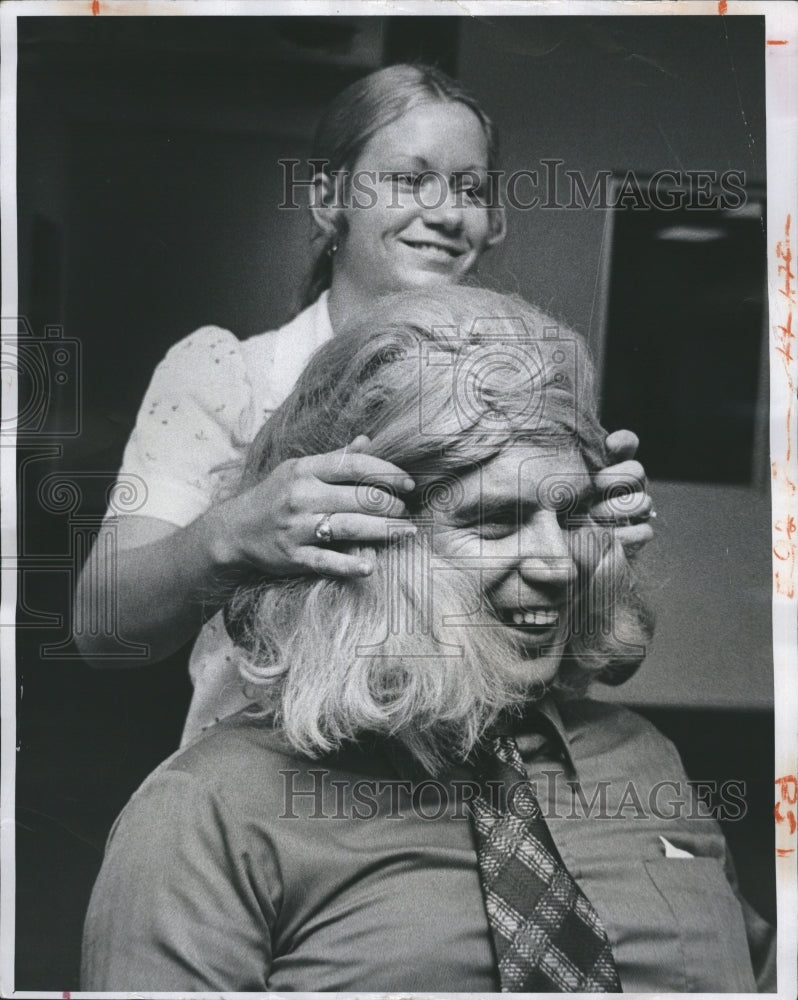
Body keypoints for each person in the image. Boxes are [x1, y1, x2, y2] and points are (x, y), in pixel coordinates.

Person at [81, 288, 774, 993]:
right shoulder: (209, 817)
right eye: (495, 522)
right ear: (363, 542)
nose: (559, 564)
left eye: (569, 518)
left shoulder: (646, 762)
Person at [72, 63, 653, 745]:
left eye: (470, 187)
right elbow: (101, 629)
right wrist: (230, 535)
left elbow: (595, 660)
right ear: (328, 200)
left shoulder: (523, 386)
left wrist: (594, 557)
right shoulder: (229, 373)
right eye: (410, 179)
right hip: (269, 784)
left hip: (459, 782)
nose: (445, 212)